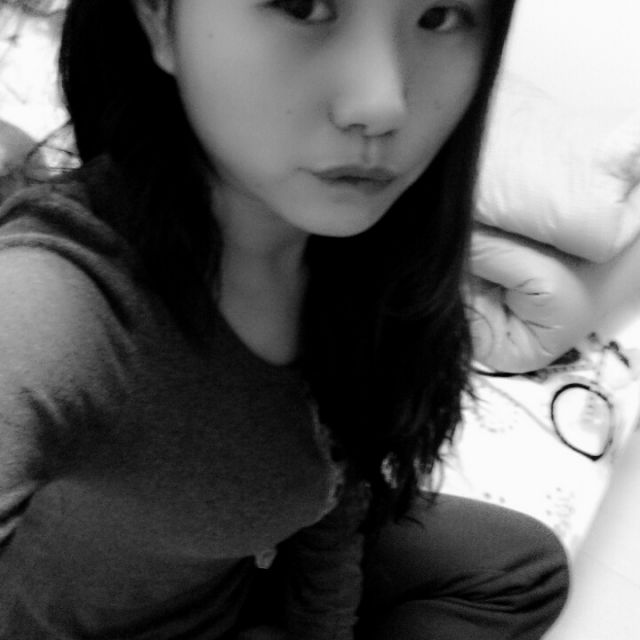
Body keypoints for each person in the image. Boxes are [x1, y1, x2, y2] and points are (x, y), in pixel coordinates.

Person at [0, 1, 569, 638]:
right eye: (303, 5)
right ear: (159, 18)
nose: (384, 104)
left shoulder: (349, 244)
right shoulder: (55, 306)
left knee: (522, 563)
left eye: (439, 16)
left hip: (241, 572)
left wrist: (319, 629)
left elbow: (336, 485)